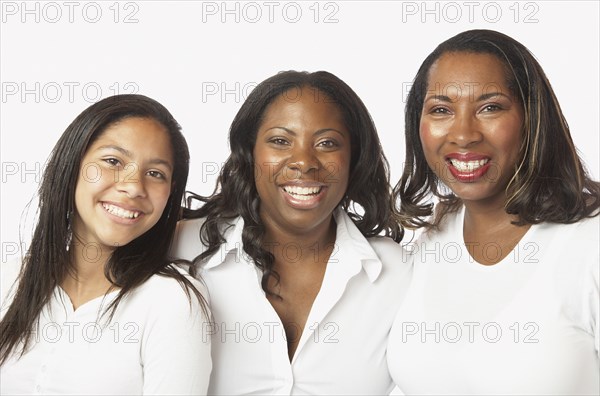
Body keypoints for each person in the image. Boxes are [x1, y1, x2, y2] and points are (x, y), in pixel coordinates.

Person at [171, 70, 412, 394]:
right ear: (250, 152)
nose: (304, 162)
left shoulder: (396, 272)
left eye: (327, 143)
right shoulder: (180, 249)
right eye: (281, 141)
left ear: (353, 157)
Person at [388, 29, 600, 395]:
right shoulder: (428, 243)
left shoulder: (589, 245)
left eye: (490, 107)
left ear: (532, 118)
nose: (464, 134)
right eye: (441, 109)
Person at [0, 94, 212, 395]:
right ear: (72, 164)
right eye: (113, 161)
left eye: (155, 173)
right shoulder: (10, 278)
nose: (134, 186)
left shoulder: (172, 301)